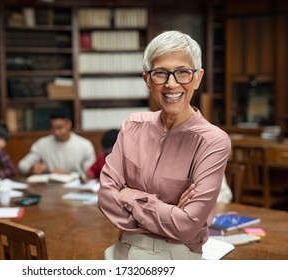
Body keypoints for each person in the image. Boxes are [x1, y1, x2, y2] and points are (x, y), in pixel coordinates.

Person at [98, 30, 231, 260]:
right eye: (160, 73)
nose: (171, 84)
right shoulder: (132, 126)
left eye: (182, 72)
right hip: (121, 251)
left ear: (198, 77)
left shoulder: (213, 141)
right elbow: (105, 198)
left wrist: (128, 195)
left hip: (176, 258)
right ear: (147, 79)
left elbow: (186, 226)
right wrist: (168, 213)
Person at [18, 108, 96, 176]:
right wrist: (32, 169)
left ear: (69, 124)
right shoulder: (42, 144)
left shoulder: (85, 145)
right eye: (53, 128)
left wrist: (67, 175)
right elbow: (22, 166)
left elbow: (90, 173)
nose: (56, 132)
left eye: (60, 128)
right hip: (48, 189)